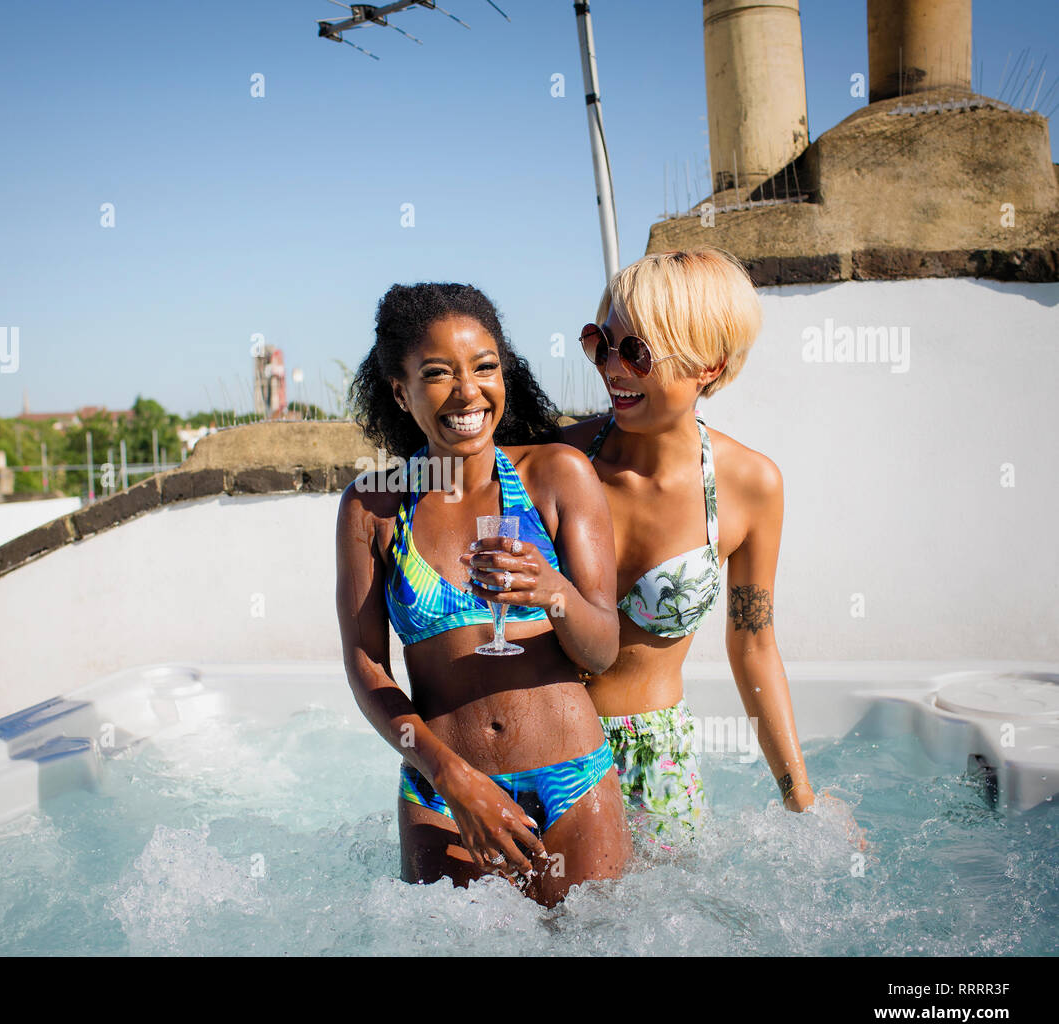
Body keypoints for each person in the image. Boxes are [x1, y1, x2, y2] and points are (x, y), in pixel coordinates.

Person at [336, 281, 631, 906]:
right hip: (444, 793)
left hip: (571, 780)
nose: (468, 392)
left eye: (485, 367)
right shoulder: (374, 506)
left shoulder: (555, 475)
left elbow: (603, 650)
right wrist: (449, 775)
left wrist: (555, 593)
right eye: (439, 373)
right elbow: (366, 667)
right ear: (400, 390)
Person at [561, 248, 859, 852]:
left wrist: (799, 794)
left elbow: (753, 645)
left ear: (709, 365)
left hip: (655, 763)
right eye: (601, 342)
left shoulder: (751, 485)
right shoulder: (554, 459)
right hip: (546, 741)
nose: (612, 368)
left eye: (636, 352)